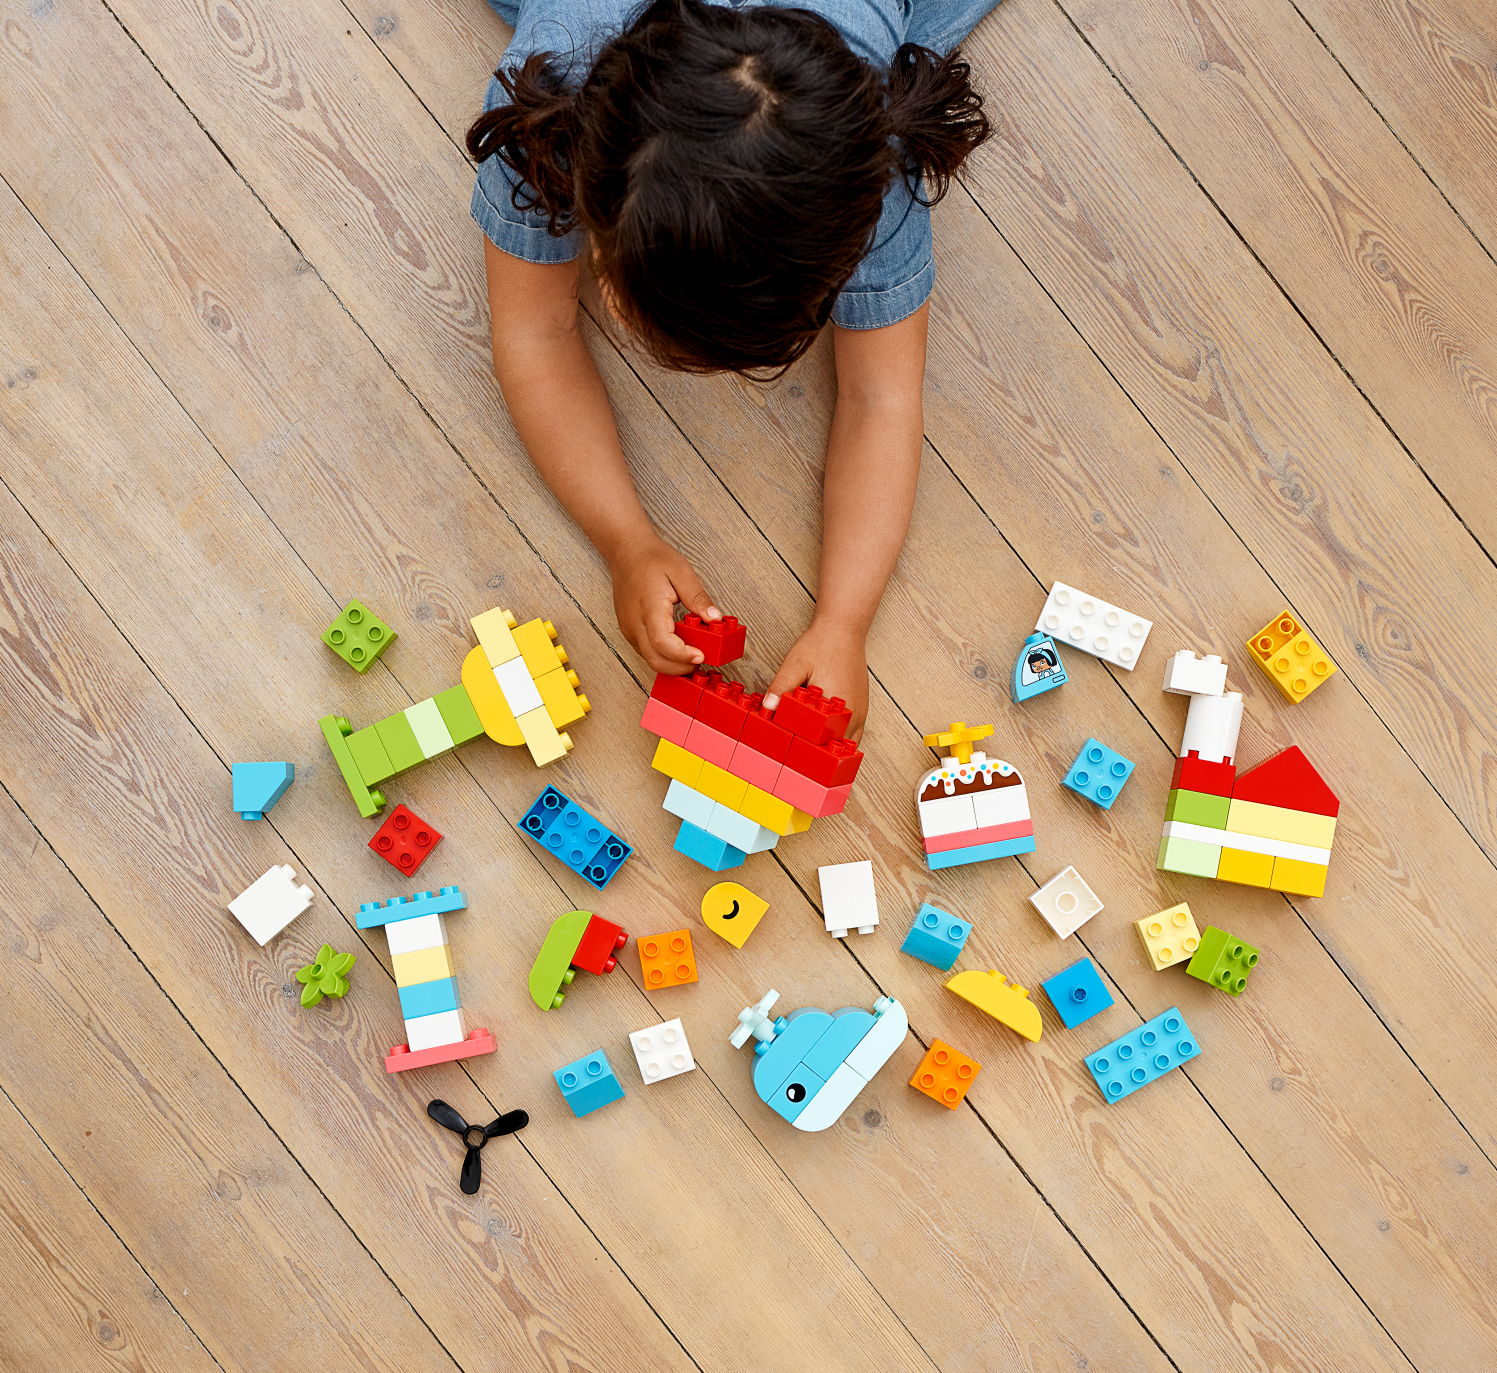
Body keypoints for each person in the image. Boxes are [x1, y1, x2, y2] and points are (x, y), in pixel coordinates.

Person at [468, 0, 999, 738]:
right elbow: (531, 334)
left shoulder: (868, 159)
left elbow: (882, 395)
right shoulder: (551, 86)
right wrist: (625, 542)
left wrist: (844, 621)